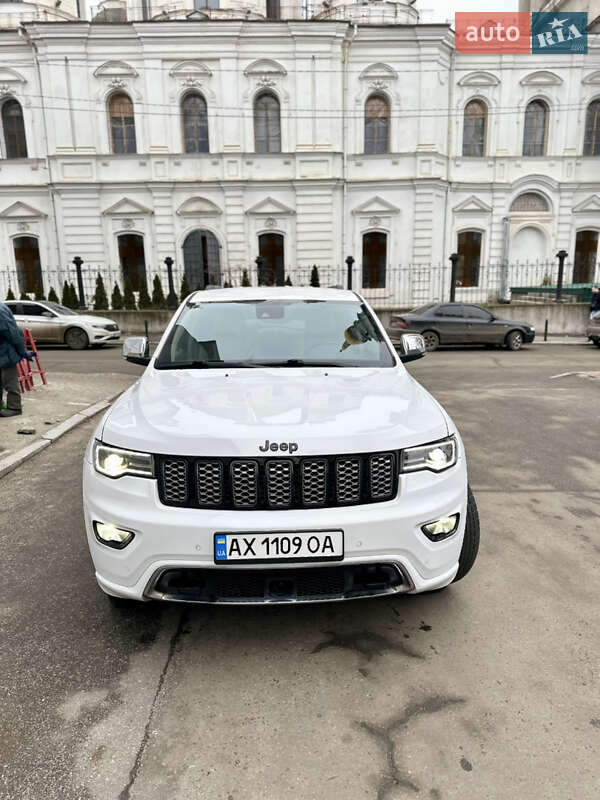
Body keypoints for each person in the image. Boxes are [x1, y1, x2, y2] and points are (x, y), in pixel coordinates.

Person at [0, 300, 35, 418]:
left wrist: (22, 351)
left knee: (10, 381)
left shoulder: (0, 311)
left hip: (5, 351)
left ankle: (14, 407)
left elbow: (13, 333)